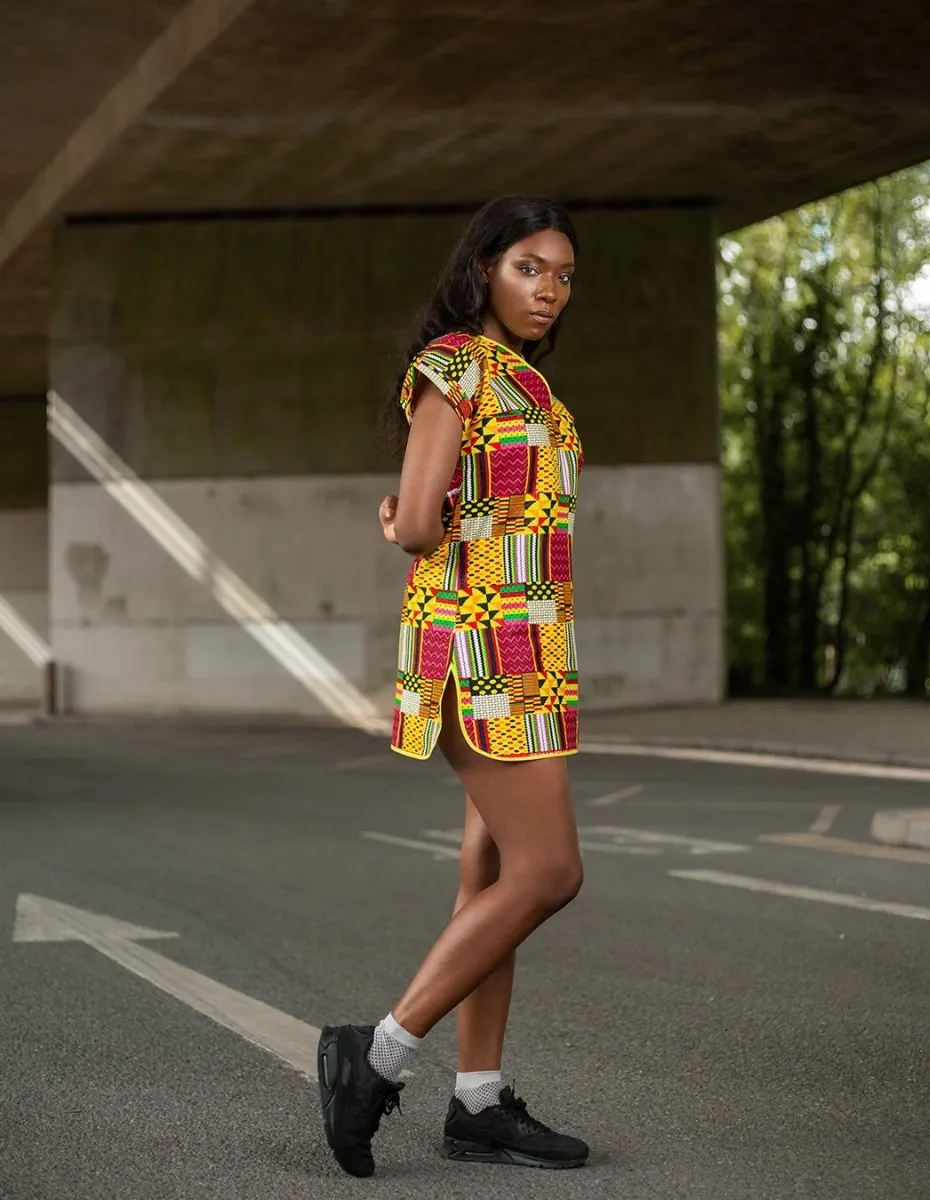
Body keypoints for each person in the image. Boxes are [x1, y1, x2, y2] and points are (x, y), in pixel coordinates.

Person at [318, 195, 588, 1178]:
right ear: (483, 269)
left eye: (562, 273)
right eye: (529, 267)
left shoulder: (530, 387)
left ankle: (477, 1103)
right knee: (549, 873)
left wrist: (416, 512)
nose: (549, 287)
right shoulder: (457, 367)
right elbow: (424, 522)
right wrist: (399, 520)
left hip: (534, 652)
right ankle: (376, 1056)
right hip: (478, 649)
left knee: (491, 878)